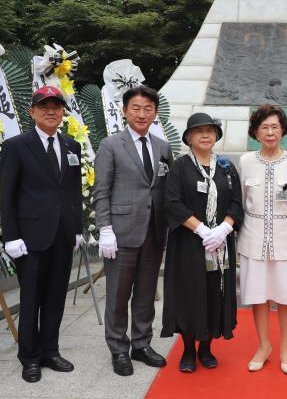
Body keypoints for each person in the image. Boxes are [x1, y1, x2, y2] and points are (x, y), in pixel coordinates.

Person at [0, 85, 83, 383]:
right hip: (29, 237)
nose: (51, 111)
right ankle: (30, 357)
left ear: (63, 112)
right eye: (44, 106)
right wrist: (10, 236)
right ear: (32, 111)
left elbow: (74, 191)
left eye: (56, 106)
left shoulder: (73, 146)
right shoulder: (16, 146)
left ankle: (50, 350)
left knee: (56, 296)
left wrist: (78, 229)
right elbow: (6, 195)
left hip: (62, 235)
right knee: (32, 296)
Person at [92, 84, 173, 376]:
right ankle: (118, 348)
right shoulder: (111, 145)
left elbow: (166, 190)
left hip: (154, 232)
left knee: (146, 293)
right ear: (125, 111)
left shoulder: (163, 147)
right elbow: (101, 191)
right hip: (121, 232)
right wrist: (105, 229)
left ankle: (141, 343)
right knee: (117, 294)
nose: (142, 113)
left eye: (148, 108)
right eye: (136, 108)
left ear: (155, 112)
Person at [162, 113, 243, 372]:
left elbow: (236, 202)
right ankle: (187, 350)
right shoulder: (181, 166)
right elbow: (172, 202)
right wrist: (201, 230)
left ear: (216, 136)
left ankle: (206, 348)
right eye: (199, 131)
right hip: (188, 244)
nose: (205, 135)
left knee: (214, 293)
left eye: (210, 130)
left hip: (220, 244)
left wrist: (223, 229)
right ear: (188, 138)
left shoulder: (226, 167)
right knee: (188, 295)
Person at [237, 104, 287, 374]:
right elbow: (241, 203)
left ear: (283, 131)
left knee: (285, 296)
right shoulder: (246, 162)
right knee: (257, 296)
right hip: (253, 239)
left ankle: (285, 347)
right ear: (255, 133)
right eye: (264, 127)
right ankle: (263, 345)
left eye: (275, 127)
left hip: (286, 238)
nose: (270, 132)